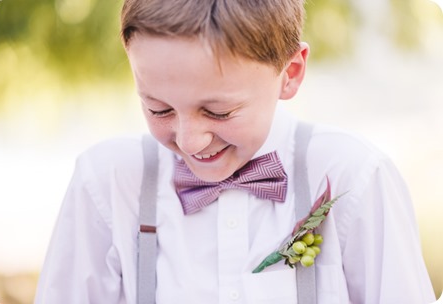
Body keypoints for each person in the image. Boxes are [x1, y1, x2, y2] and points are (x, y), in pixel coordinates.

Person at [35, 0, 436, 303]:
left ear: (290, 73)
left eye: (218, 111)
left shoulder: (356, 176)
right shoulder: (106, 182)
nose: (189, 140)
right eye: (159, 108)